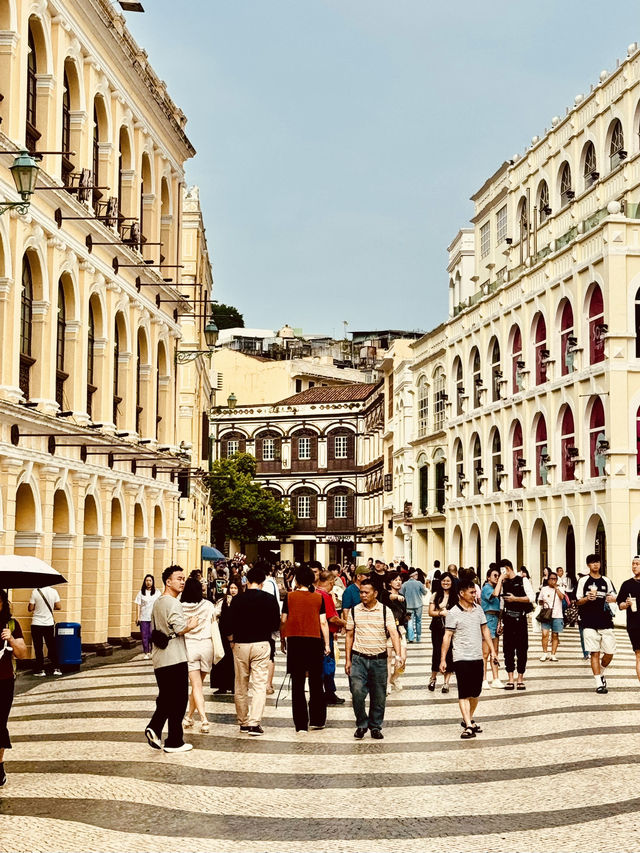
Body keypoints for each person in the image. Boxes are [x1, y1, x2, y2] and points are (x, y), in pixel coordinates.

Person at [145, 565, 198, 753]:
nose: (182, 581)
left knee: (167, 697)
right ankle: (173, 740)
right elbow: (178, 628)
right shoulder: (173, 603)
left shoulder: (158, 602)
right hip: (174, 657)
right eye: (179, 578)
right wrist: (191, 624)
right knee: (178, 699)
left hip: (160, 658)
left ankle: (157, 729)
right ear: (168, 581)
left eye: (184, 578)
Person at [345, 578, 403, 739]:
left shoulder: (385, 611)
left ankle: (375, 726)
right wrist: (347, 660)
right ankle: (361, 724)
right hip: (358, 658)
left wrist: (398, 654)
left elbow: (393, 633)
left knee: (379, 695)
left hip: (379, 659)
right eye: (361, 592)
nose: (363, 595)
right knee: (357, 692)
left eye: (366, 592)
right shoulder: (354, 611)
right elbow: (349, 635)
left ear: (375, 593)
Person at [228, 565, 281, 736]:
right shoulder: (269, 599)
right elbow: (275, 624)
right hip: (261, 643)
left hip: (240, 644)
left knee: (240, 684)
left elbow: (228, 623)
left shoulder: (237, 599)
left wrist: (231, 640)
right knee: (259, 684)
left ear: (247, 581)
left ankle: (242, 721)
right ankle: (254, 723)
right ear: (262, 582)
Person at [440, 578, 494, 740]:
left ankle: (467, 719)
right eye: (471, 592)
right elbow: (447, 637)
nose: (474, 595)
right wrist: (443, 659)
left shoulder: (478, 610)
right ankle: (469, 725)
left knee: (475, 692)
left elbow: (485, 631)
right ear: (461, 594)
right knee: (464, 693)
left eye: (474, 592)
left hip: (477, 656)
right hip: (461, 657)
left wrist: (493, 651)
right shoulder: (453, 613)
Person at [281, 564, 330, 733]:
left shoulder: (289, 597)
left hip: (295, 641)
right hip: (314, 641)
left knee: (298, 683)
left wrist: (283, 640)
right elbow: (323, 622)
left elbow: (283, 620)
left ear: (296, 579)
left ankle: (301, 724)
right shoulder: (318, 598)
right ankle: (317, 719)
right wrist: (327, 643)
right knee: (316, 681)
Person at [576, 554, 617, 694]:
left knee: (610, 652)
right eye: (592, 563)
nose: (595, 565)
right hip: (588, 622)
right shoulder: (583, 581)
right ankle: (599, 683)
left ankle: (601, 672)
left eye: (597, 562)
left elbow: (613, 596)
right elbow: (577, 601)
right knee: (594, 652)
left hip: (605, 621)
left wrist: (611, 599)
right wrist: (587, 598)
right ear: (588, 565)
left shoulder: (606, 580)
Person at [181, 576, 217, 733]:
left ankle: (203, 719)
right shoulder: (208, 605)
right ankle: (189, 717)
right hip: (206, 646)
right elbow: (215, 620)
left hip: (190, 647)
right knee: (198, 686)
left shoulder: (180, 607)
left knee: (196, 686)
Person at [0, 589, 28, 786]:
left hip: (4, 680)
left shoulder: (11, 624)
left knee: (0, 723)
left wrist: (10, 639)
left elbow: (23, 653)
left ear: (3, 603)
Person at [493, 559, 535, 690]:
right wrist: (500, 580)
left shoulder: (523, 580)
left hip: (520, 618)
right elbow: (497, 597)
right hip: (507, 618)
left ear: (507, 568)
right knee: (508, 649)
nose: (501, 573)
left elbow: (532, 597)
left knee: (522, 648)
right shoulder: (504, 583)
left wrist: (515, 599)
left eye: (501, 571)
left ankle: (520, 678)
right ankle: (510, 678)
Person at [315, 569, 347, 705]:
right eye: (333, 581)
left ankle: (322, 691)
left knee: (322, 665)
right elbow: (331, 618)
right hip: (324, 634)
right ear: (330, 581)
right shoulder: (324, 596)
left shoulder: (315, 593)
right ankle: (329, 692)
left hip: (318, 634)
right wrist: (348, 624)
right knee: (328, 664)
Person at [427, 571, 457, 693]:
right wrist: (440, 613)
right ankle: (433, 678)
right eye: (444, 581)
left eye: (448, 581)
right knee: (437, 652)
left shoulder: (456, 596)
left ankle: (446, 682)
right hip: (437, 628)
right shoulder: (435, 595)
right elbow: (430, 612)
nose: (446, 583)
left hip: (451, 629)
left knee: (449, 653)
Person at [212, 577, 241, 695]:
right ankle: (222, 685)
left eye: (235, 588)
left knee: (235, 662)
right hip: (223, 635)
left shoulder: (241, 601)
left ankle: (234, 685)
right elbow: (215, 614)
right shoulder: (222, 601)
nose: (233, 590)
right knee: (223, 660)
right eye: (231, 588)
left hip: (237, 635)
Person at [257, 560, 281, 696]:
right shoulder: (272, 582)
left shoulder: (266, 584)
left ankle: (267, 684)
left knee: (269, 654)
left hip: (264, 623)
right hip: (271, 623)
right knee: (270, 654)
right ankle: (267, 684)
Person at [382, 572, 408, 691]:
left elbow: (403, 614)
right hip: (387, 630)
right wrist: (396, 597)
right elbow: (389, 597)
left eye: (400, 580)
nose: (398, 582)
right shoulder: (385, 594)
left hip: (400, 630)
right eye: (395, 580)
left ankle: (394, 677)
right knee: (388, 658)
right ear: (389, 582)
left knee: (402, 658)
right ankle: (387, 683)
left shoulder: (403, 597)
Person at [28, 586, 62, 676]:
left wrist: (37, 607)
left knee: (38, 647)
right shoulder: (54, 591)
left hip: (36, 623)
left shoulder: (35, 591)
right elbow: (58, 606)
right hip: (49, 623)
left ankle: (40, 670)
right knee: (51, 646)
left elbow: (30, 608)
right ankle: (56, 668)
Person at [616, 556, 640, 683]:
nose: (634, 566)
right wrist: (626, 604)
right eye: (633, 564)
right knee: (639, 655)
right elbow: (620, 605)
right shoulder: (627, 584)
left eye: (637, 564)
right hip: (635, 625)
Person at [480, 566, 504, 689]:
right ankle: (484, 679)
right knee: (485, 652)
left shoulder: (496, 588)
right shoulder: (486, 589)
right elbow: (494, 595)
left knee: (495, 651)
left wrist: (500, 621)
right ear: (488, 577)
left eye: (498, 575)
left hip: (495, 619)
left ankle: (495, 678)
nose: (497, 578)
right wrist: (500, 580)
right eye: (495, 575)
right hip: (487, 619)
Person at [538, 571, 566, 662]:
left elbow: (562, 598)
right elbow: (539, 600)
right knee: (545, 634)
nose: (553, 580)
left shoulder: (561, 588)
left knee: (555, 635)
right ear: (548, 579)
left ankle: (553, 654)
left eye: (555, 579)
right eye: (551, 579)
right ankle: (545, 653)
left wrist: (556, 588)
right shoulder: (544, 589)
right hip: (546, 614)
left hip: (557, 615)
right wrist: (543, 602)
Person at [135, 574, 161, 659]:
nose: (148, 582)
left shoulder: (157, 592)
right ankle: (146, 652)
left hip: (153, 617)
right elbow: (138, 605)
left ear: (153, 582)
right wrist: (137, 617)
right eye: (147, 581)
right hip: (144, 617)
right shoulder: (141, 593)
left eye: (150, 581)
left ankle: (153, 650)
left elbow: (160, 604)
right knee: (144, 636)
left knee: (151, 635)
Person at [401, 569, 427, 643]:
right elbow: (424, 592)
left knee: (410, 621)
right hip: (419, 605)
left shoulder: (405, 584)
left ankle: (411, 637)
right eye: (416, 575)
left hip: (408, 606)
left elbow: (401, 593)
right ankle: (418, 637)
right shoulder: (419, 583)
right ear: (414, 575)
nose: (417, 576)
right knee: (418, 621)